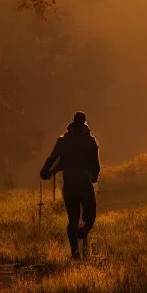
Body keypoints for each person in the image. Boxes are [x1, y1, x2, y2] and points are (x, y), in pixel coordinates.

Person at [39, 111, 100, 260]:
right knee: (90, 216)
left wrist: (46, 171)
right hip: (84, 184)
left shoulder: (64, 140)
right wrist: (93, 177)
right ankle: (84, 231)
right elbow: (95, 165)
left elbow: (53, 158)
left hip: (70, 185)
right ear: (84, 122)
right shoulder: (90, 141)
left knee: (73, 219)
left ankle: (75, 252)